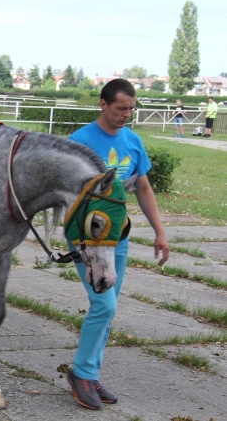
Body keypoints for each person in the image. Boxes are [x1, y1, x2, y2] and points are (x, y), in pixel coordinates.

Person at [66, 79, 169, 410]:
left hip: (118, 237)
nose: (126, 114)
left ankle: (90, 375)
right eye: (120, 108)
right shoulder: (79, 143)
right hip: (88, 238)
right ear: (103, 104)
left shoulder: (133, 141)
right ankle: (81, 373)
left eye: (130, 109)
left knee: (106, 309)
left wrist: (160, 232)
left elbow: (143, 188)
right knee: (104, 305)